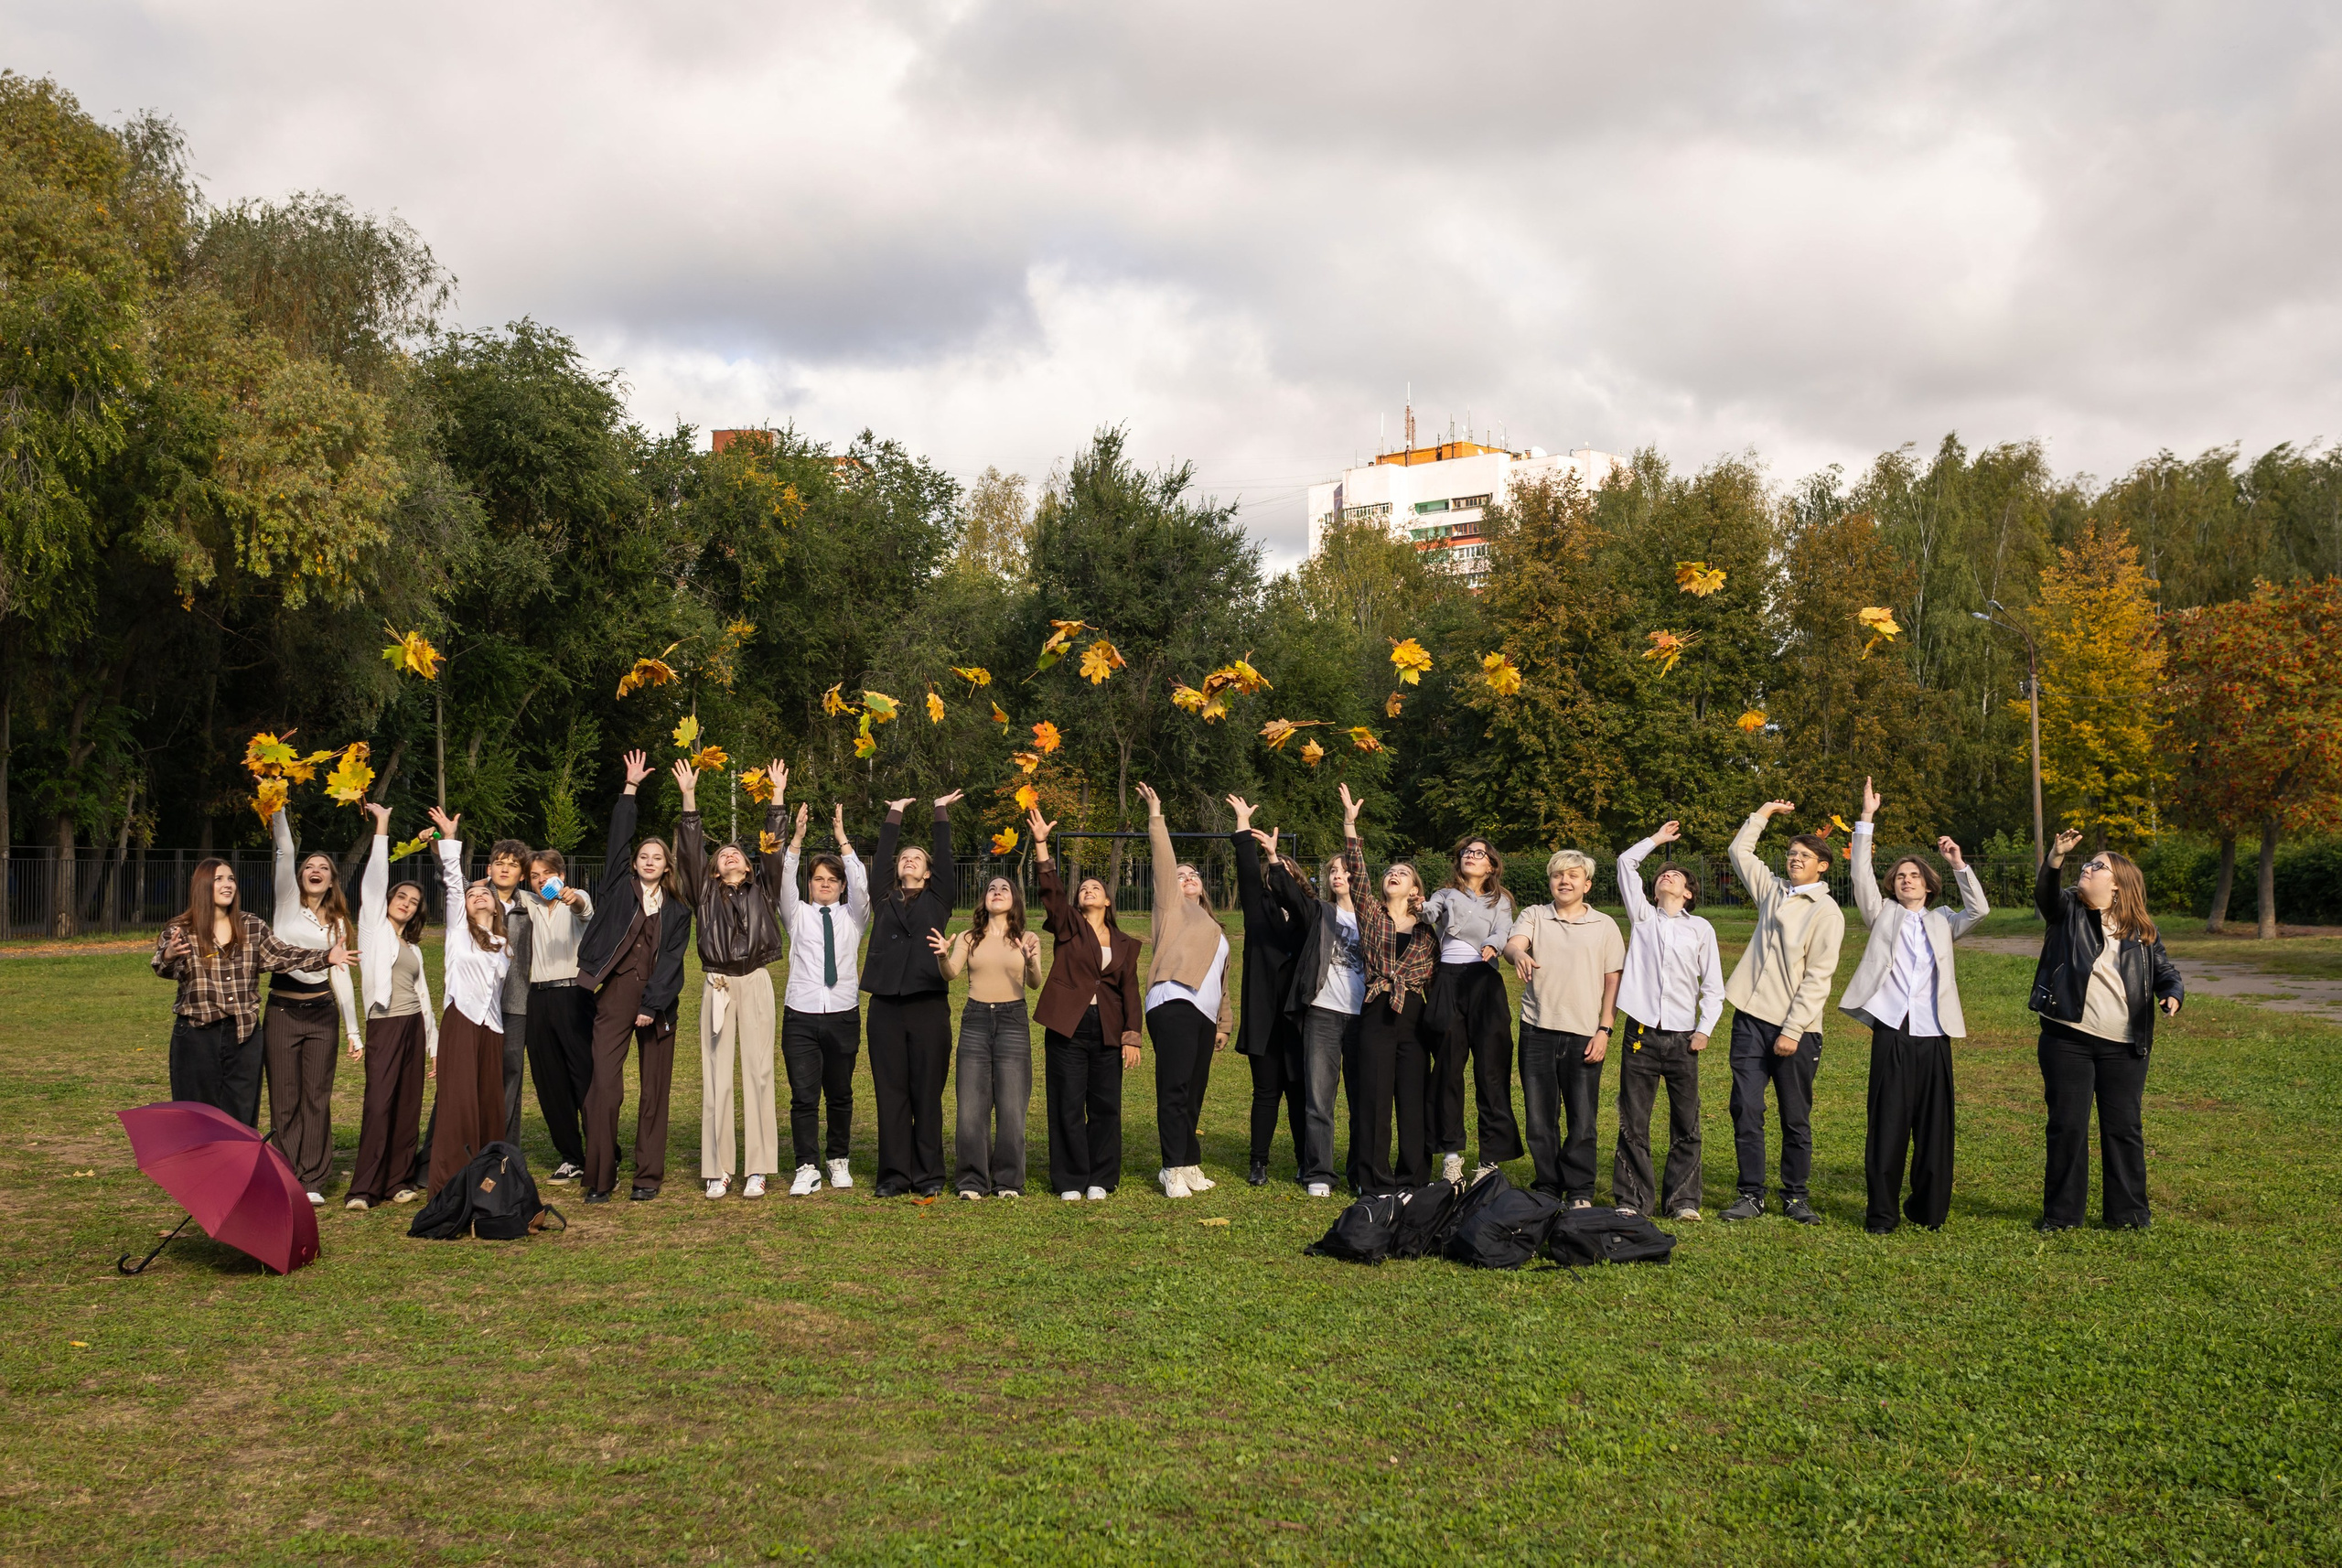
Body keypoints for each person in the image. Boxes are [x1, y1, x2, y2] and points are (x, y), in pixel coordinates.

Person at [1840, 779, 1991, 1233]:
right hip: (1892, 1031)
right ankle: (1881, 1215)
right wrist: (1865, 819)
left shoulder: (1943, 921)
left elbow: (1979, 910)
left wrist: (1959, 864)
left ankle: (1927, 1211)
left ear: (1928, 885)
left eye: (1914, 876)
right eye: (1900, 876)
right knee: (1887, 1127)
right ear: (1894, 885)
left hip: (1935, 1033)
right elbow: (1859, 875)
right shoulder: (1881, 912)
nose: (1907, 880)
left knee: (1934, 1130)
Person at [2030, 829, 2183, 1231]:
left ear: (2117, 884)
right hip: (2068, 1042)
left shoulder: (2143, 930)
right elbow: (2045, 894)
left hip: (2125, 1047)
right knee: (2068, 1127)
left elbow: (2165, 971)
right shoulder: (2067, 910)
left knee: (2124, 1129)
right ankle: (2062, 1216)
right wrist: (2055, 858)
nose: (2087, 868)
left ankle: (2129, 1216)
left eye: (2097, 866)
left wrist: (2172, 993)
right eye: (2087, 863)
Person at [575, 751, 693, 1204]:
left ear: (667, 865)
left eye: (656, 856)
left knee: (654, 1092)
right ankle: (600, 1176)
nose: (647, 860)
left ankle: (648, 1176)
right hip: (616, 995)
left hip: (659, 1001)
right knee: (604, 1086)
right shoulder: (616, 889)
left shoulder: (678, 908)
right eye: (643, 855)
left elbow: (674, 961)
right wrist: (630, 789)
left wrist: (652, 1005)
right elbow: (618, 841)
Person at [1721, 800, 1846, 1225]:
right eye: (1792, 854)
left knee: (1795, 1117)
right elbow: (1740, 852)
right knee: (1747, 1108)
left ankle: (1796, 1196)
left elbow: (1818, 978)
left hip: (1798, 1030)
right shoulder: (1772, 889)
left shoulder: (1826, 912)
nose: (1794, 860)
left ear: (1822, 867)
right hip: (1750, 1020)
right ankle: (1750, 1194)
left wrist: (1792, 1031)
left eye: (1804, 857)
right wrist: (1763, 813)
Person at [152, 859, 349, 1127]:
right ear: (202, 885)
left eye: (231, 878)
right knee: (197, 1118)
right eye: (219, 878)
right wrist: (169, 953)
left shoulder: (251, 926)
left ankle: (236, 1170)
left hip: (243, 1036)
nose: (227, 884)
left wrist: (326, 956)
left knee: (241, 1119)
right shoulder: (181, 929)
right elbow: (163, 968)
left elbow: (283, 954)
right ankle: (203, 1169)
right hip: (197, 1036)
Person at [673, 758, 790, 1201]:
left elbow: (774, 849)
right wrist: (689, 799)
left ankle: (757, 1168)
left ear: (747, 863)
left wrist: (776, 795)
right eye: (722, 855)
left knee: (759, 1073)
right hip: (718, 985)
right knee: (716, 1076)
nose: (730, 855)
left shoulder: (765, 888)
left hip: (756, 980)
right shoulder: (703, 891)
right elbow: (688, 850)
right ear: (715, 869)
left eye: (737, 852)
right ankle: (719, 1169)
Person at [1027, 807, 1144, 1201]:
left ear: (1109, 901)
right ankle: (1070, 1180)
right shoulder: (1069, 926)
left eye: (1096, 887)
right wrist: (1042, 845)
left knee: (1106, 1105)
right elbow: (1053, 894)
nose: (1088, 890)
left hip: (1108, 1029)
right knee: (1066, 1103)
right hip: (1068, 1026)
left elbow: (1130, 992)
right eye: (1084, 889)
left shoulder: (1126, 944)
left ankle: (1101, 1178)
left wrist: (1132, 1036)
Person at [1612, 822, 1725, 1222]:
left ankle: (1683, 1201)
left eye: (1676, 875)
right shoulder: (1642, 917)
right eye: (1662, 873)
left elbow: (1713, 987)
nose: (1667, 875)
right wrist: (1657, 841)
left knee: (1686, 1122)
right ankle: (1632, 1199)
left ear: (1689, 893)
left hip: (1684, 1038)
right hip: (1640, 1032)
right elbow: (1626, 862)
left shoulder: (1701, 929)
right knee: (1633, 1122)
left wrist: (1705, 1029)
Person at [1503, 850, 1625, 1208]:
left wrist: (1605, 1029)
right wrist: (1518, 954)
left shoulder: (1604, 926)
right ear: (1550, 881)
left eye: (1573, 876)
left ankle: (1580, 1189)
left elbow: (1613, 981)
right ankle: (1548, 1185)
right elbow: (1513, 944)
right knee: (1540, 1117)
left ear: (1586, 885)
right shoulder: (1535, 915)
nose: (1564, 881)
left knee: (1582, 1118)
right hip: (1536, 1030)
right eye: (1558, 875)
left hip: (1585, 1033)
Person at [1339, 783, 1442, 1195]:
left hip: (1415, 1015)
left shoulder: (1429, 928)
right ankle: (1373, 1179)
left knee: (1413, 1101)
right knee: (1375, 1100)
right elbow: (1358, 872)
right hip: (1379, 1009)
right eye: (1390, 874)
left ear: (1415, 887)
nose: (1394, 875)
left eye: (1403, 873)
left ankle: (1414, 1177)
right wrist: (1350, 823)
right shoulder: (1371, 914)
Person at [864, 789, 964, 1197]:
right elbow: (883, 860)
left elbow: (944, 857)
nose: (909, 859)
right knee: (891, 1093)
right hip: (885, 1005)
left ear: (928, 873)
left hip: (927, 1005)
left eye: (917, 859)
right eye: (904, 857)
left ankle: (928, 1176)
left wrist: (939, 811)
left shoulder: (939, 898)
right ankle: (893, 1176)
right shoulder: (883, 897)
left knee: (926, 1093)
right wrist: (893, 813)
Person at [1134, 782, 1234, 1198]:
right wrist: (1156, 816)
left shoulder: (1214, 926)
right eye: (1182, 875)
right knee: (1175, 1086)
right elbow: (1163, 861)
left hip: (1203, 1012)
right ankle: (1172, 1167)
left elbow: (1223, 982)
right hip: (1173, 1000)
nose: (1187, 877)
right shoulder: (1170, 908)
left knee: (1194, 1090)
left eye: (1193, 875)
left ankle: (1189, 1161)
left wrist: (1224, 1023)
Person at [263, 808, 363, 1205]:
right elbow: (285, 850)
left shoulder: (338, 923)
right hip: (283, 1013)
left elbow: (341, 975)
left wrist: (354, 1031)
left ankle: (313, 1180)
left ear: (332, 880)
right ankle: (286, 1174)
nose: (315, 869)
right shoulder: (287, 902)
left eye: (323, 866)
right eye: (310, 865)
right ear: (301, 875)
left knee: (316, 1098)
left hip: (322, 1015)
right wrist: (277, 805)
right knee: (285, 1099)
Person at [347, 804, 439, 1209]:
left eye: (414, 900)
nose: (407, 902)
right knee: (379, 1103)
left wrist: (434, 1044)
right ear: (388, 900)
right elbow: (375, 880)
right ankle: (364, 1188)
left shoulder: (413, 948)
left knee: (407, 1105)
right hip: (384, 1024)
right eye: (401, 896)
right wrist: (383, 824)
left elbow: (425, 1000)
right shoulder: (372, 928)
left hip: (414, 1027)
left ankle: (399, 1181)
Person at [777, 796, 869, 1197]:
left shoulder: (854, 916)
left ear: (842, 885)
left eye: (832, 879)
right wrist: (796, 841)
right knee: (803, 1096)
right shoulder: (796, 914)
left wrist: (842, 840)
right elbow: (784, 880)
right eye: (818, 879)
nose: (825, 883)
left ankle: (838, 1159)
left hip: (843, 1014)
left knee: (841, 1092)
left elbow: (863, 886)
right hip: (801, 1014)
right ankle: (806, 1165)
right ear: (809, 884)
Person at [932, 875, 1044, 1198]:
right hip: (976, 1019)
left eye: (1004, 888)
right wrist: (942, 954)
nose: (997, 892)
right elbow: (951, 973)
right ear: (984, 900)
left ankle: (1009, 1181)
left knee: (1012, 1106)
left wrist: (1030, 959)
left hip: (1013, 1020)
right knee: (971, 1106)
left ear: (1015, 900)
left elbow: (1035, 982)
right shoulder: (969, 937)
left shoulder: (1026, 936)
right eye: (991, 888)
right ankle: (972, 1181)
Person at [424, 808, 514, 1194]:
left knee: (490, 1104)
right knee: (458, 1104)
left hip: (491, 1028)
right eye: (472, 894)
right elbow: (453, 884)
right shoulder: (458, 933)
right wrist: (449, 839)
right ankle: (448, 1184)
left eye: (484, 895)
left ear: (496, 906)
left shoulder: (504, 944)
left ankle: (488, 1180)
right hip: (460, 1020)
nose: (477, 896)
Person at [1421, 835, 1521, 1182]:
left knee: (1491, 1069)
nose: (1471, 856)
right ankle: (1451, 1157)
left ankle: (1490, 1160)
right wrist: (1421, 908)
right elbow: (1430, 912)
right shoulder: (1445, 894)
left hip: (1484, 981)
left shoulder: (1501, 900)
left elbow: (1503, 930)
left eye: (1479, 854)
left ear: (1491, 865)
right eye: (1467, 852)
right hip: (1447, 979)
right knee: (1447, 1069)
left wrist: (1493, 945)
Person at [1273, 829, 1364, 1199]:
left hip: (1364, 1018)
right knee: (1319, 1098)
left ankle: (1360, 1172)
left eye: (1344, 870)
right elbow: (1291, 896)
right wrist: (1275, 859)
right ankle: (1318, 1173)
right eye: (1332, 872)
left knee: (1363, 1101)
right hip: (1323, 1015)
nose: (1338, 875)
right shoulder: (1321, 913)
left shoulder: (1375, 917)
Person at [1227, 796, 1307, 1187]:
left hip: (1300, 1021)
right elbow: (1246, 873)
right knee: (1266, 1092)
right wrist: (1243, 826)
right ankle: (1258, 1162)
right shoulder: (1260, 913)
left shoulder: (1311, 916)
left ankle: (1304, 1161)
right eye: (1274, 871)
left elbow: (1296, 899)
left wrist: (1278, 861)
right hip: (1264, 1019)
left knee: (1299, 1093)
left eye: (1287, 871)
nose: (1279, 876)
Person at [521, 847, 596, 1185]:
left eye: (546, 874)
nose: (540, 881)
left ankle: (600, 1151)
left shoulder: (575, 898)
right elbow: (493, 888)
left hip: (574, 995)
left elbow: (583, 906)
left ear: (561, 875)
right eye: (534, 875)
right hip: (536, 998)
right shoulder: (528, 905)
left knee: (584, 1076)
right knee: (549, 1081)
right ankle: (571, 1156)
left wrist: (571, 897)